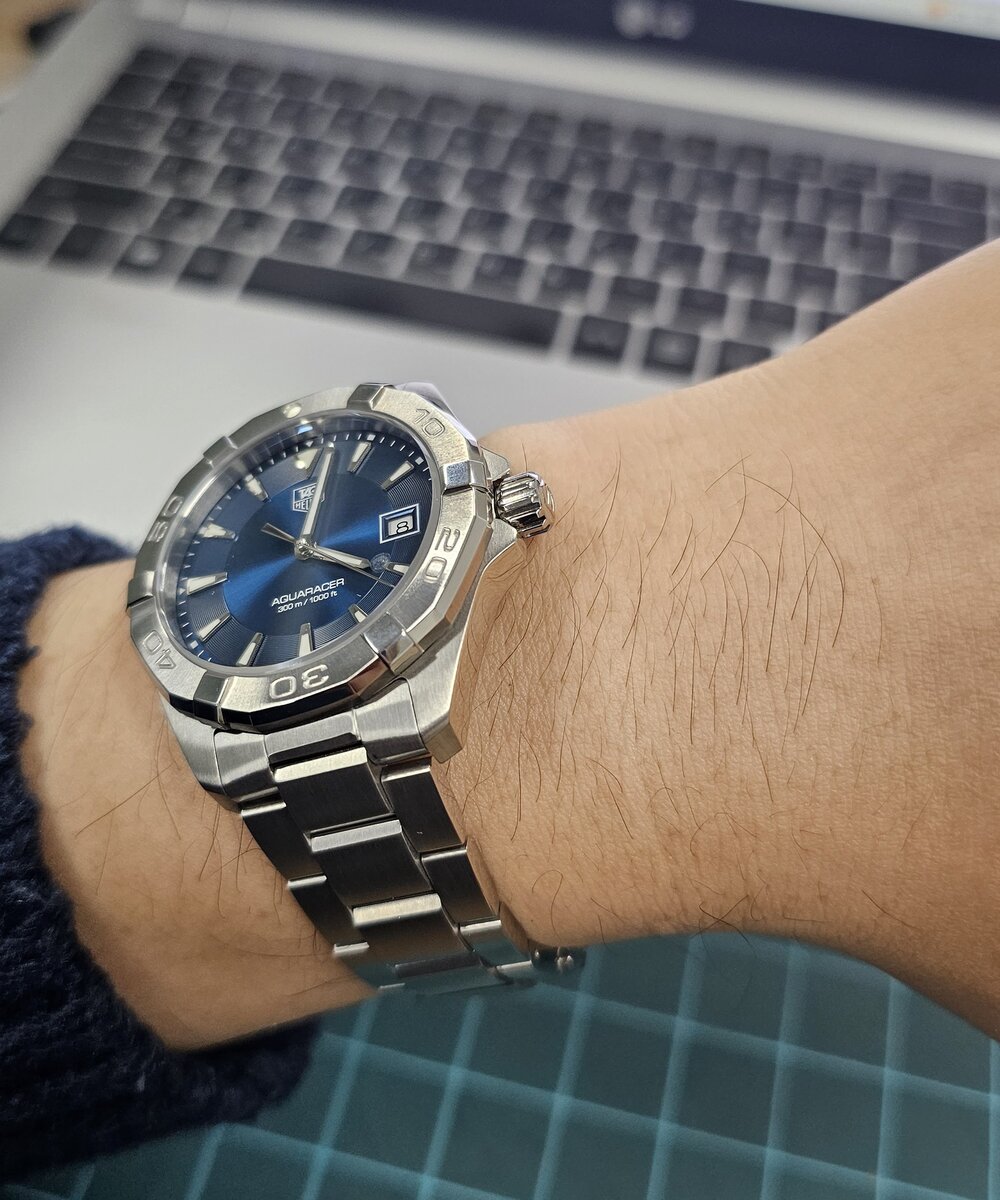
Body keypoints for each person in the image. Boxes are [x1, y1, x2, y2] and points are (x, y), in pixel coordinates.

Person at [2, 237, 998, 1177]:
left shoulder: (446, 534)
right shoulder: (216, 657)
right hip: (221, 705)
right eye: (295, 542)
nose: (301, 548)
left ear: (506, 508)